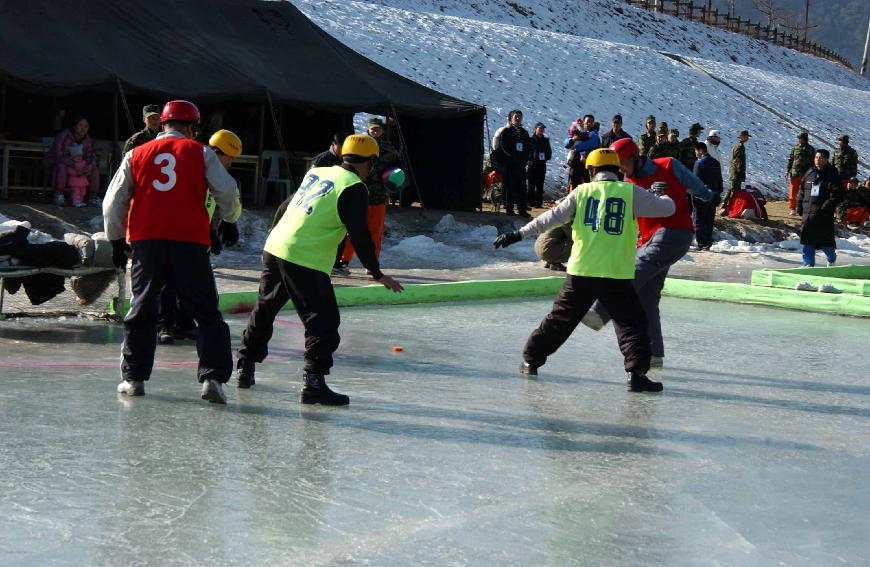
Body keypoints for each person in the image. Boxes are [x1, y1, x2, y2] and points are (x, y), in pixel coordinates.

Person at [235, 134, 404, 404]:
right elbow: (359, 234)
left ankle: (245, 367)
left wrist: (275, 236)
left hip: (277, 246)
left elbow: (284, 206)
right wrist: (376, 272)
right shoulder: (354, 186)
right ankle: (313, 383)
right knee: (323, 322)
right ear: (371, 162)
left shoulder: (319, 172)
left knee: (266, 307)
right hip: (305, 257)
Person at [493, 148, 676, 392]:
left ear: (591, 170)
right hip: (616, 273)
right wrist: (660, 196)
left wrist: (518, 234)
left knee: (560, 320)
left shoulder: (581, 192)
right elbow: (667, 210)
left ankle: (531, 360)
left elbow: (550, 218)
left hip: (581, 271)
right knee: (632, 323)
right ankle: (636, 373)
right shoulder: (630, 192)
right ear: (617, 170)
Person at [103, 100, 242, 404]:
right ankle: (213, 378)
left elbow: (113, 202)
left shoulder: (136, 153)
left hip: (147, 243)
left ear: (163, 125)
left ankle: (134, 378)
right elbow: (227, 191)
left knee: (142, 310)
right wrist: (229, 220)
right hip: (190, 243)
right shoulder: (201, 152)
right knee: (205, 312)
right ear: (193, 127)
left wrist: (115, 240)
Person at [582, 138, 713, 368]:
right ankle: (654, 354)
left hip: (674, 232)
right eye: (616, 165)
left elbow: (695, 185)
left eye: (621, 162)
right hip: (647, 239)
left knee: (636, 269)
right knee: (647, 297)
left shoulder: (668, 165)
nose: (620, 168)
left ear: (634, 156)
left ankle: (602, 311)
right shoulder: (626, 184)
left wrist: (709, 196)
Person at [156, 129, 243, 345]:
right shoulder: (197, 166)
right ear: (215, 152)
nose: (230, 163)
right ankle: (165, 325)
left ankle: (185, 323)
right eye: (228, 158)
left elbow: (212, 204)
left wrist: (218, 226)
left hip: (196, 234)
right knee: (170, 282)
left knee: (192, 282)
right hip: (175, 232)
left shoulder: (214, 172)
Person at [339, 118, 402, 265]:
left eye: (378, 129)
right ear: (368, 129)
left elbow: (398, 166)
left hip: (379, 195)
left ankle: (371, 263)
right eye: (373, 129)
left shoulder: (389, 148)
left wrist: (395, 179)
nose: (375, 132)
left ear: (382, 130)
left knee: (376, 232)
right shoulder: (357, 145)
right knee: (351, 229)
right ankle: (344, 260)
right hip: (359, 193)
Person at [797, 149, 843, 267]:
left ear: (827, 159)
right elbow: (802, 191)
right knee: (807, 240)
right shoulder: (809, 173)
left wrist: (824, 208)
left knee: (824, 241)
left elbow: (836, 195)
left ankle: (831, 258)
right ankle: (808, 265)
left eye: (821, 158)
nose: (818, 160)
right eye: (816, 157)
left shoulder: (832, 174)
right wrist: (799, 205)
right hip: (807, 214)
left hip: (823, 215)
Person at [50, 117, 101, 207]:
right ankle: (59, 194)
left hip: (80, 165)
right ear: (74, 126)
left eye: (86, 126)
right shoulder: (64, 136)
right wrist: (73, 164)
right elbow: (59, 155)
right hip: (63, 163)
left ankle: (93, 196)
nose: (83, 128)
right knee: (62, 167)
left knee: (94, 169)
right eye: (80, 125)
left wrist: (89, 165)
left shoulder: (87, 139)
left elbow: (91, 155)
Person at [493, 110, 532, 217]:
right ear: (510, 118)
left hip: (521, 165)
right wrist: (511, 157)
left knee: (522, 188)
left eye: (520, 116)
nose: (518, 118)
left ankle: (522, 210)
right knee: (510, 188)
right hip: (510, 165)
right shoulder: (506, 131)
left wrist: (525, 158)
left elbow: (528, 148)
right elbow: (502, 147)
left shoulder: (524, 133)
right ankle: (509, 209)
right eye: (516, 117)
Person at [692, 142, 723, 250]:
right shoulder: (716, 163)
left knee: (699, 220)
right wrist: (717, 194)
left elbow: (695, 182)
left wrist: (693, 196)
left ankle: (701, 243)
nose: (695, 154)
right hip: (713, 196)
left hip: (701, 196)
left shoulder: (699, 163)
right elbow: (720, 181)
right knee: (709, 221)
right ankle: (708, 243)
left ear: (700, 151)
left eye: (696, 151)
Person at [565, 114, 599, 189]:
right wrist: (573, 139)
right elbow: (566, 143)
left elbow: (591, 143)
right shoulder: (577, 130)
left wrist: (575, 147)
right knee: (574, 187)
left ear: (593, 123)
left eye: (591, 122)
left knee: (587, 188)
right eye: (587, 121)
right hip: (575, 164)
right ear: (583, 122)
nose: (589, 123)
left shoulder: (594, 134)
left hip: (587, 164)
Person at [786, 131, 815, 216]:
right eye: (799, 138)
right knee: (793, 191)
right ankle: (792, 208)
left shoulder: (811, 149)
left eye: (800, 138)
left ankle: (804, 208)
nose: (799, 140)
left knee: (806, 191)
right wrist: (788, 170)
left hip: (806, 173)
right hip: (795, 172)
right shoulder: (795, 148)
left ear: (805, 139)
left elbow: (813, 162)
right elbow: (791, 159)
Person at [526, 122, 552, 208]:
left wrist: (545, 156)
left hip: (541, 165)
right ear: (535, 129)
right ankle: (530, 202)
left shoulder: (545, 140)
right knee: (531, 184)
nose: (541, 130)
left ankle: (538, 203)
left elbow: (549, 153)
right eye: (540, 129)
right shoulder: (530, 140)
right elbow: (526, 152)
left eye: (542, 129)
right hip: (532, 165)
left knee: (540, 185)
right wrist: (532, 155)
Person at [723, 130, 749, 212]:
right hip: (736, 173)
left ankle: (726, 205)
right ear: (743, 136)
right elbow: (738, 161)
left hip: (734, 172)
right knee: (734, 190)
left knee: (732, 189)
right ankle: (727, 206)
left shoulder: (737, 145)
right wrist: (739, 172)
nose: (748, 138)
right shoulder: (740, 146)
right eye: (747, 136)